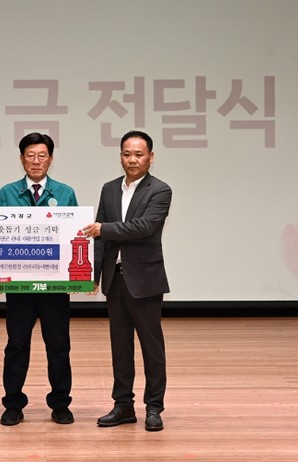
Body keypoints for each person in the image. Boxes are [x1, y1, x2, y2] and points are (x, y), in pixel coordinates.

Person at [82, 130, 172, 432]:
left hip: (145, 279)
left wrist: (103, 229)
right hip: (115, 279)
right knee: (120, 347)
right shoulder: (109, 189)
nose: (132, 159)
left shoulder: (160, 190)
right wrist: (93, 274)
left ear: (150, 157)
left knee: (151, 346)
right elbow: (98, 239)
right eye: (126, 153)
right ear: (120, 156)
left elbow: (144, 227)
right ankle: (123, 405)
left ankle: (154, 407)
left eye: (138, 154)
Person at [0, 132, 78, 426]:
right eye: (30, 155)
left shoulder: (65, 193)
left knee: (59, 346)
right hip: (19, 287)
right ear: (21, 159)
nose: (36, 161)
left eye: (42, 155)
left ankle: (60, 404)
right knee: (17, 345)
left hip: (55, 286)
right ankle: (13, 404)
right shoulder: (6, 193)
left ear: (51, 159)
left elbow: (75, 237)